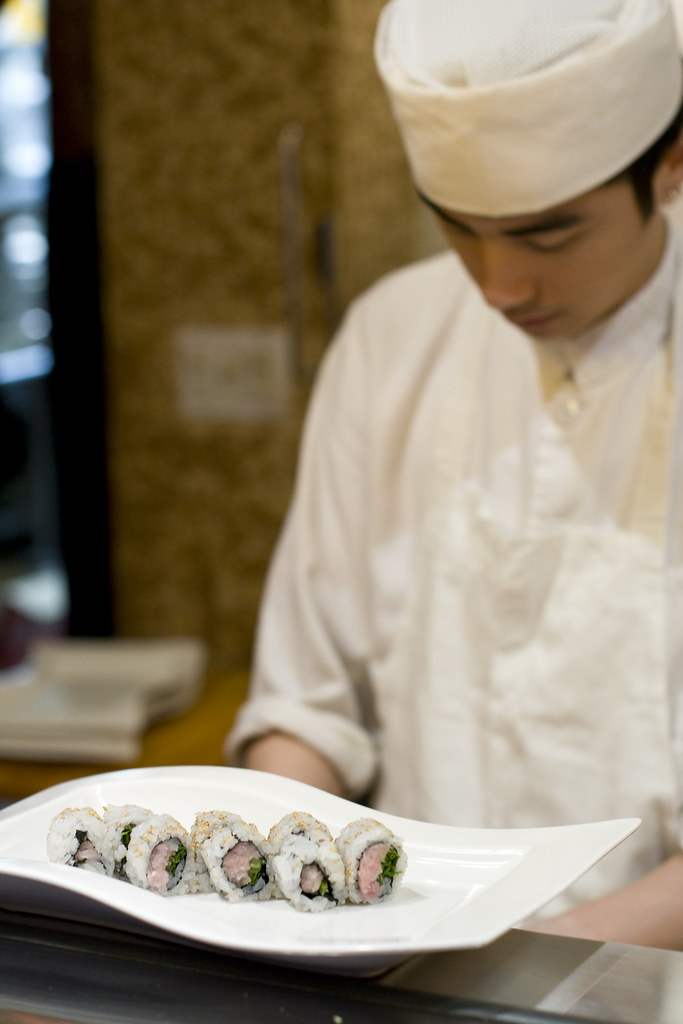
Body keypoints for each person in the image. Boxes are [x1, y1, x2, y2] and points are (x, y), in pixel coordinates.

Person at [226, 0, 683, 947]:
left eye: (549, 236)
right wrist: (274, 900)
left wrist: (502, 971)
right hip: (395, 969)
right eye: (459, 229)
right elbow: (308, 708)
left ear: (672, 164)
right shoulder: (391, 336)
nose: (498, 285)